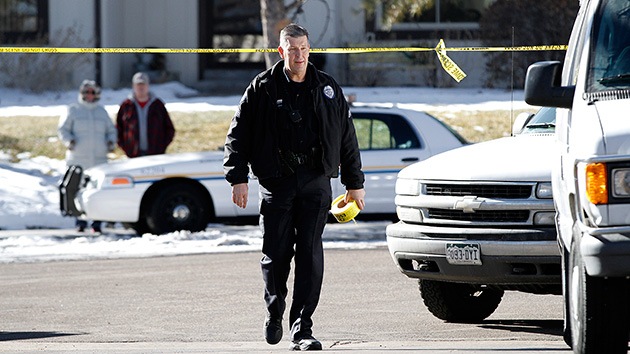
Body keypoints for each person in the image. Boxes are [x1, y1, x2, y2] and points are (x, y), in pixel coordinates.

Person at [223, 23, 366, 351]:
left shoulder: (327, 87)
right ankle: (274, 310)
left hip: (316, 182)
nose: (299, 55)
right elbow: (237, 135)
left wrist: (354, 184)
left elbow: (347, 138)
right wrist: (238, 178)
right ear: (281, 51)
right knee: (275, 255)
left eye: (304, 48)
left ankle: (303, 329)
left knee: (310, 255)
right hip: (277, 183)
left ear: (309, 49)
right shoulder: (262, 87)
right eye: (293, 49)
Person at [58, 79, 117, 233]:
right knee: (78, 190)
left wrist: (111, 142)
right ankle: (80, 222)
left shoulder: (102, 112)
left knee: (96, 191)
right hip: (78, 159)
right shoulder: (73, 110)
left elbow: (111, 130)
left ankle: (97, 223)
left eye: (93, 92)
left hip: (99, 159)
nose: (89, 95)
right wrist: (69, 141)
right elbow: (63, 130)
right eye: (87, 92)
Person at [116, 72, 175, 158]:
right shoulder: (126, 106)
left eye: (143, 84)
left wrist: (161, 147)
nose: (141, 87)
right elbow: (118, 129)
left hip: (155, 155)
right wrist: (126, 148)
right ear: (133, 86)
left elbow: (169, 129)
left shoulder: (158, 105)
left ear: (148, 86)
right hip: (133, 155)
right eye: (138, 85)